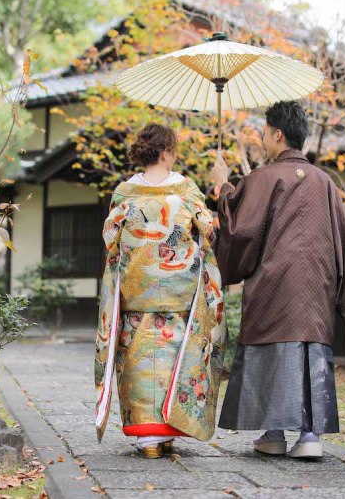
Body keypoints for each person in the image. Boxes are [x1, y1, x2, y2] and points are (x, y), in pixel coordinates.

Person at [212, 101, 345, 459]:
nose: (262, 138)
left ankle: (273, 433)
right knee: (310, 351)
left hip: (273, 285)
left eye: (264, 131)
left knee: (272, 350)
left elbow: (239, 231)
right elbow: (343, 240)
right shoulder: (325, 183)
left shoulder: (263, 179)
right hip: (316, 288)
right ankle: (310, 436)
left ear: (277, 134)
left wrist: (222, 188)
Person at [95, 123, 226, 459]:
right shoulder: (187, 191)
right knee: (175, 360)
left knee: (139, 361)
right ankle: (168, 429)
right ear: (167, 153)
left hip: (136, 294)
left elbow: (111, 240)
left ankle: (147, 437)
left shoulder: (125, 193)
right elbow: (208, 232)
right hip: (178, 295)